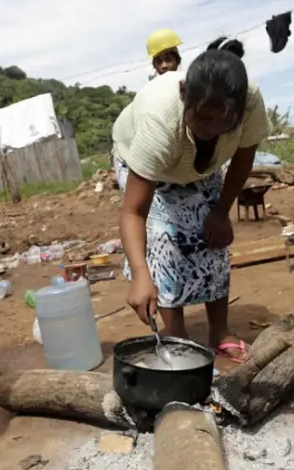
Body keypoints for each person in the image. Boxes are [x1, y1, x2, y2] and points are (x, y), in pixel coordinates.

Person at [112, 37, 271, 362]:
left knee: (211, 238)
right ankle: (176, 337)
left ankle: (219, 332)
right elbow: (133, 212)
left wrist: (221, 212)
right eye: (199, 118)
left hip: (199, 166)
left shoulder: (251, 101)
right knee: (166, 241)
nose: (206, 129)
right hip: (145, 163)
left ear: (239, 111)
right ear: (185, 94)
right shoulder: (160, 121)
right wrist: (141, 274)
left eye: (219, 122)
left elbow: (242, 158)